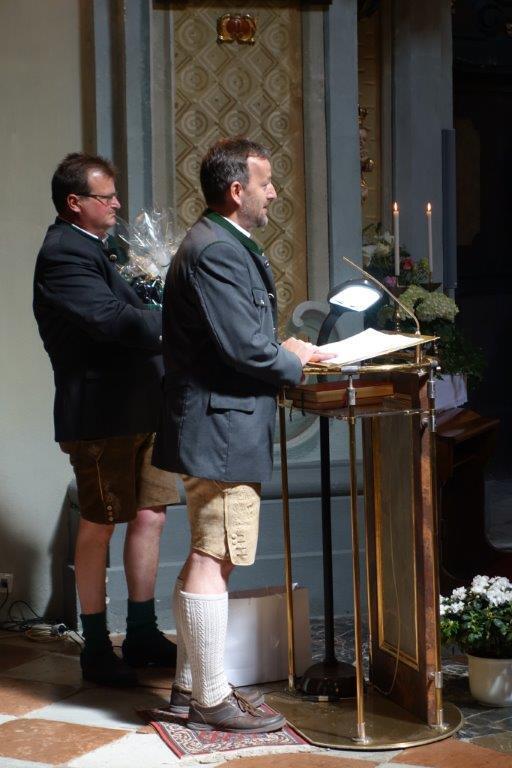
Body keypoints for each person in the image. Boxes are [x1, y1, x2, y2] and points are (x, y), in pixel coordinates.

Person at [153, 137, 332, 732]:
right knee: (215, 554)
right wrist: (294, 359)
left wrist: (280, 351)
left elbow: (235, 340)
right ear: (237, 190)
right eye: (265, 182)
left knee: (209, 552)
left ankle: (188, 689)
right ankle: (210, 699)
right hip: (222, 426)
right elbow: (244, 349)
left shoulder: (216, 242)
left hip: (217, 423)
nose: (273, 193)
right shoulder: (217, 250)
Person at [33, 153, 180, 687]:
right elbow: (111, 320)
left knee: (152, 516)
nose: (117, 203)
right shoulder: (62, 254)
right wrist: (178, 321)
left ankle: (141, 633)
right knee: (101, 523)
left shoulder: (104, 247)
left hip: (145, 406)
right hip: (102, 414)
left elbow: (131, 308)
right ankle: (96, 648)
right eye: (106, 195)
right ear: (75, 202)